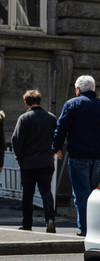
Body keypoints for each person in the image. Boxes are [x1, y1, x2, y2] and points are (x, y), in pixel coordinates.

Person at [53, 75, 100, 236]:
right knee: (93, 191)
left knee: (81, 193)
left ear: (78, 89)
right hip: (98, 156)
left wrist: (56, 146)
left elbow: (61, 127)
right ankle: (94, 227)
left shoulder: (72, 104)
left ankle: (85, 228)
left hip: (79, 154)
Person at [11, 90, 58, 232]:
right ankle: (50, 219)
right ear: (40, 101)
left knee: (28, 194)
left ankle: (27, 224)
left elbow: (16, 140)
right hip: (46, 162)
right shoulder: (51, 118)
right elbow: (56, 138)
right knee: (46, 192)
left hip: (29, 164)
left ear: (26, 103)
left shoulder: (24, 118)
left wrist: (20, 158)